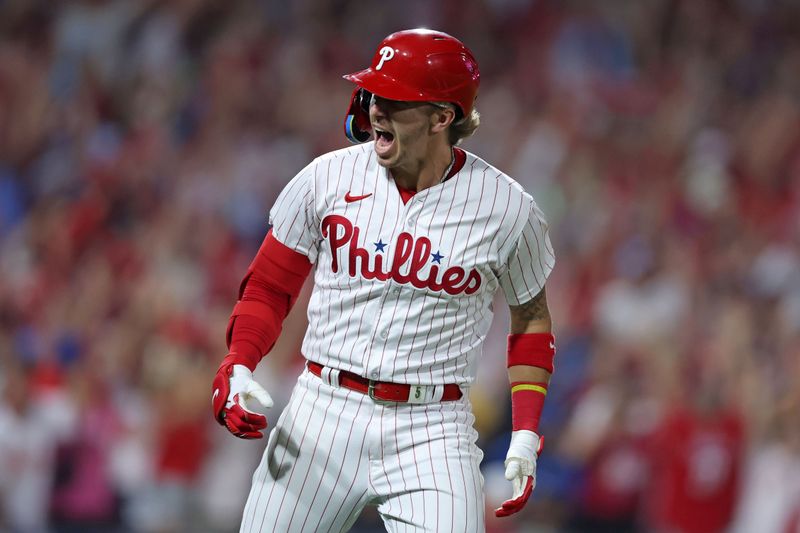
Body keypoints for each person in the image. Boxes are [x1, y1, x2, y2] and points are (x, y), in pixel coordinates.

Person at [211, 28, 557, 532]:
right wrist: (239, 360)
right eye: (375, 93)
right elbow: (269, 286)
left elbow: (531, 320)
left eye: (397, 100)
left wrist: (525, 430)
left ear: (443, 117)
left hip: (432, 429)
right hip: (321, 412)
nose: (376, 108)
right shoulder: (326, 178)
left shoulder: (507, 209)